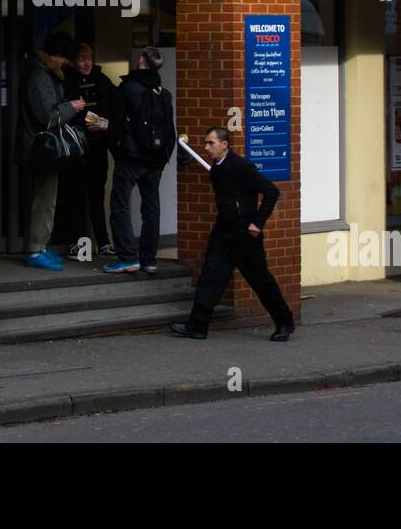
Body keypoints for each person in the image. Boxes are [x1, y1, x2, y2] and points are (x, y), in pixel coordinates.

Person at [171, 127, 296, 341]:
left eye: (211, 143)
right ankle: (197, 326)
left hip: (245, 235)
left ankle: (284, 322)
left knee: (261, 281)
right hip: (223, 233)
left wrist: (257, 222)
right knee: (210, 278)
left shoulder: (241, 166)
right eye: (205, 143)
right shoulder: (216, 169)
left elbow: (271, 191)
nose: (206, 148)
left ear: (224, 144)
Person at [102, 46, 175, 275]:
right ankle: (149, 260)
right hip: (156, 160)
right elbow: (169, 131)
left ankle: (127, 258)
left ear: (142, 60)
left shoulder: (127, 88)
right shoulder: (164, 93)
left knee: (119, 205)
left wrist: (117, 149)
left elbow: (116, 125)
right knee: (151, 208)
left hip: (131, 158)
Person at [17, 32, 85, 271]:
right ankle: (36, 250)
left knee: (47, 199)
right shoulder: (40, 76)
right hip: (40, 149)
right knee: (44, 200)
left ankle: (41, 246)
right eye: (67, 59)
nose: (69, 64)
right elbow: (47, 116)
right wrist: (71, 107)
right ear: (59, 55)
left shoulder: (44, 73)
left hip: (43, 149)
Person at [62, 42, 116, 260]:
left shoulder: (102, 81)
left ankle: (103, 242)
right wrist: (97, 120)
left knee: (96, 196)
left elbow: (114, 106)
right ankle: (77, 243)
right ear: (73, 62)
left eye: (89, 59)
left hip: (97, 148)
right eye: (81, 59)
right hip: (75, 148)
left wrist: (104, 123)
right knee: (75, 197)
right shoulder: (67, 82)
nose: (86, 63)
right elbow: (68, 110)